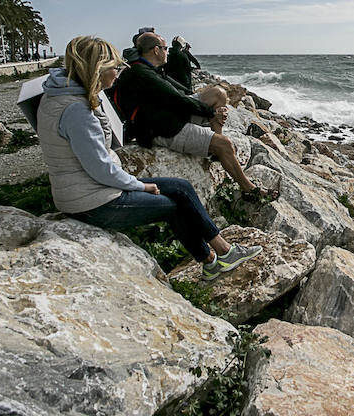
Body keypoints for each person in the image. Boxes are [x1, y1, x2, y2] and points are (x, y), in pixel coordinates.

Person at [37, 35, 261, 280]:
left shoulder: (61, 95)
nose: (118, 72)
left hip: (89, 189)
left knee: (181, 187)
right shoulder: (77, 111)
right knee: (175, 207)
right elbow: (99, 168)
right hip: (92, 202)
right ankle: (219, 256)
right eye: (115, 67)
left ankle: (218, 258)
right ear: (97, 69)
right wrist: (140, 185)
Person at [113, 32, 274, 202]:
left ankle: (216, 143)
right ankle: (249, 189)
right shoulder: (142, 73)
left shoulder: (146, 68)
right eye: (165, 48)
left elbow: (177, 94)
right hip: (161, 127)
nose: (167, 51)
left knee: (218, 93)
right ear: (156, 50)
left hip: (168, 113)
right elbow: (177, 99)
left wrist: (210, 111)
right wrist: (212, 113)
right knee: (225, 144)